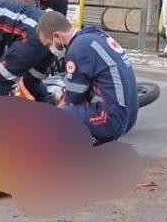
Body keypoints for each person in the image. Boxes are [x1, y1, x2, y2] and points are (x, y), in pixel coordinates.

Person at [37, 11, 138, 145]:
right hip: (130, 115)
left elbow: (73, 97)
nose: (51, 49)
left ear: (57, 36)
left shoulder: (77, 48)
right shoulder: (93, 35)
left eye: (49, 44)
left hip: (112, 118)